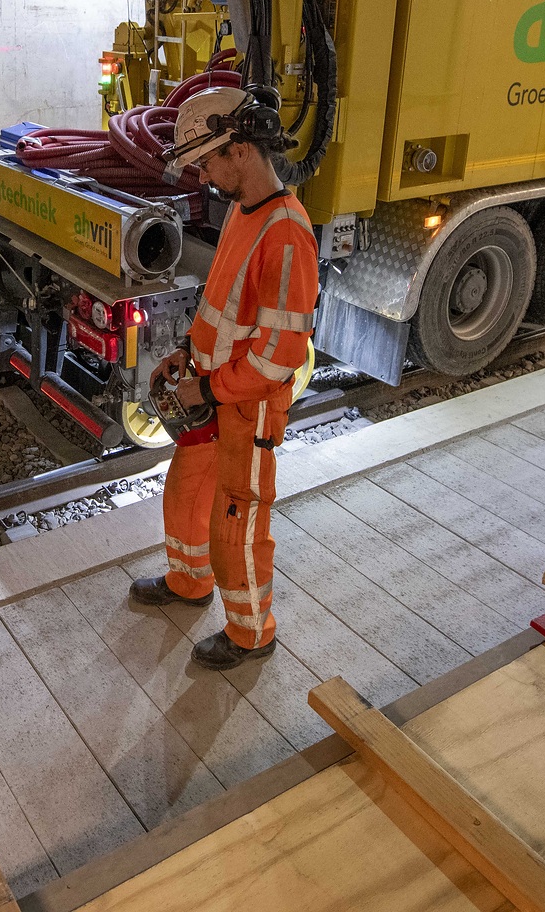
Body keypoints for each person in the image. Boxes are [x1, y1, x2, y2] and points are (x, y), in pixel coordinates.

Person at [128, 86, 319, 669]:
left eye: (209, 160)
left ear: (241, 150)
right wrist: (187, 352)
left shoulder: (287, 234)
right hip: (212, 393)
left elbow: (278, 357)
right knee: (187, 495)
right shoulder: (243, 212)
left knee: (239, 521)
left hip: (248, 407)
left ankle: (250, 633)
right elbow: (220, 303)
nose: (205, 174)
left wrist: (208, 388)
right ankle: (189, 582)